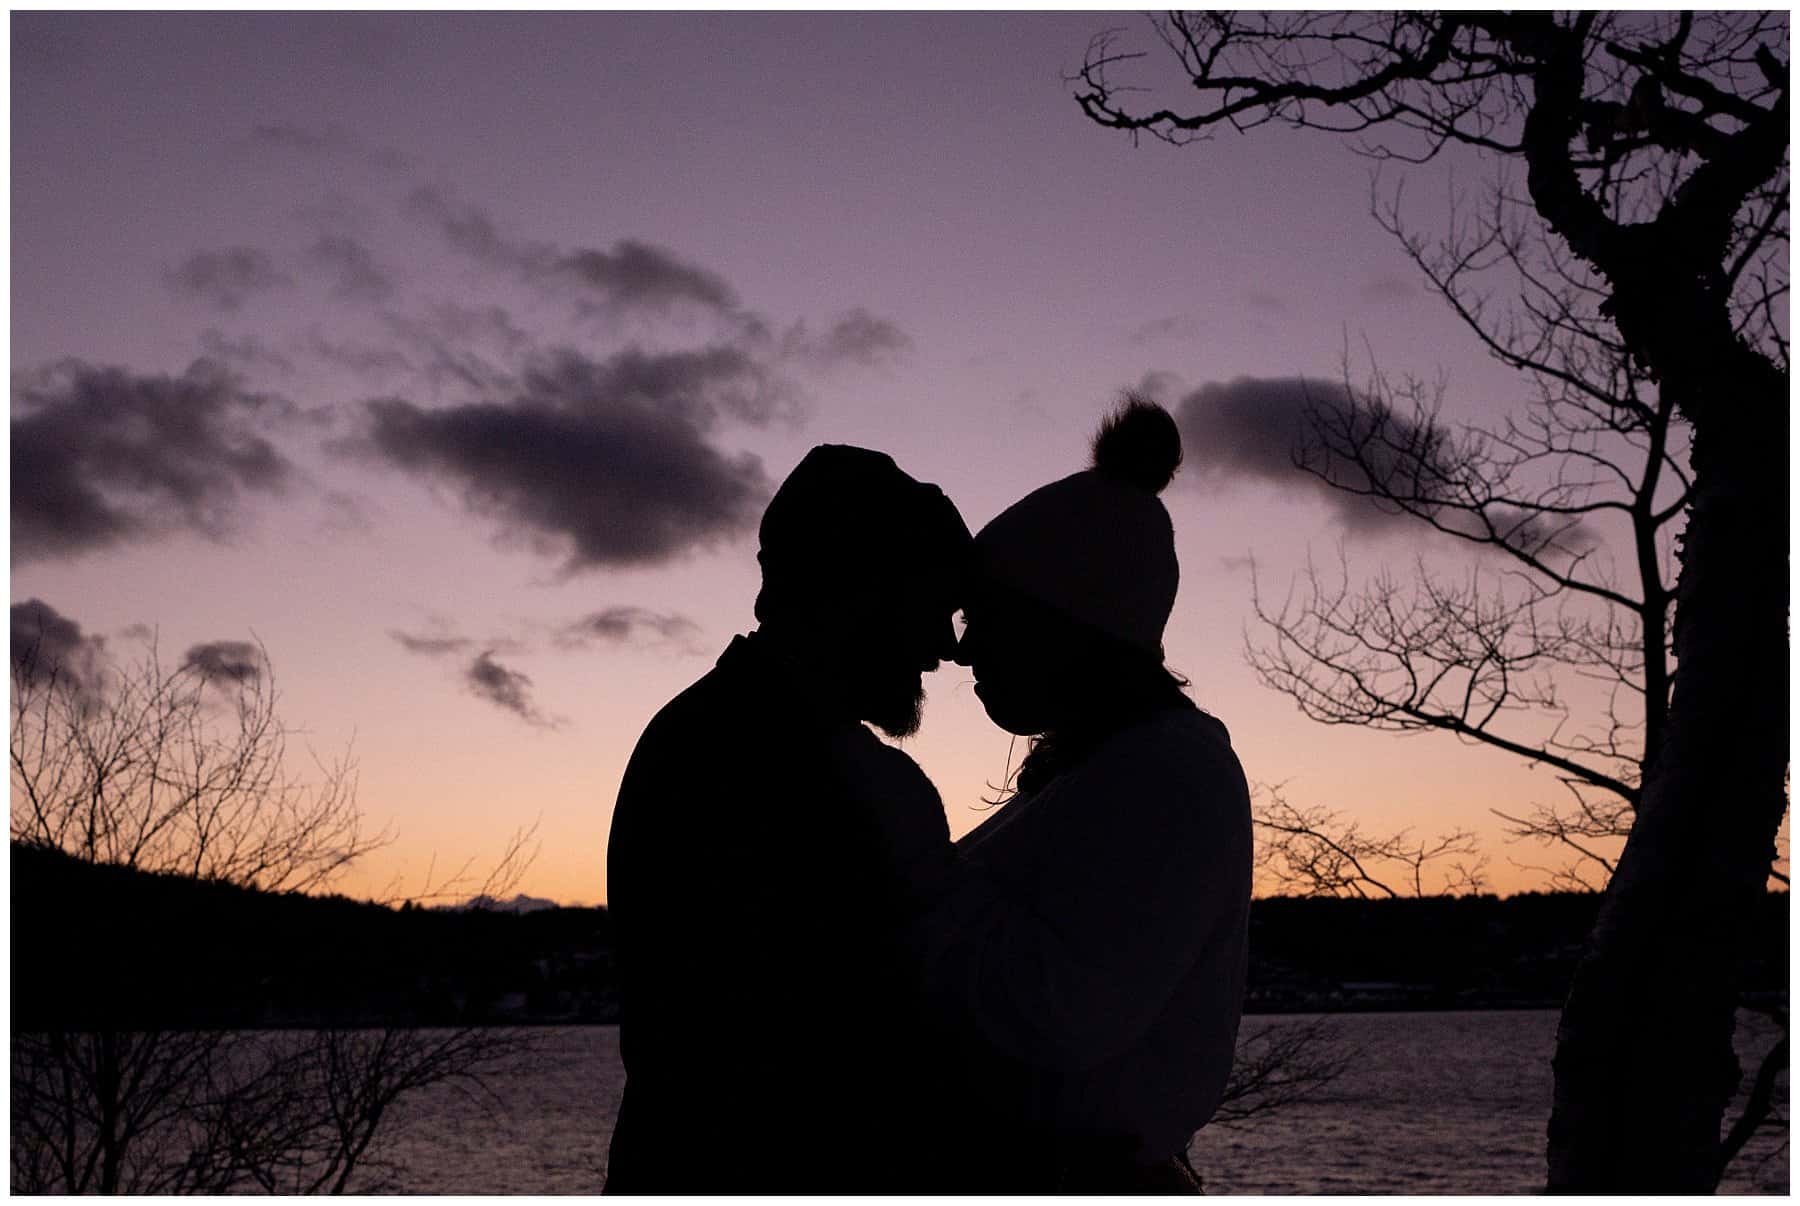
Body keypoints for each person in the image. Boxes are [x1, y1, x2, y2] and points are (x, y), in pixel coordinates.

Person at [869, 397, 1255, 1192]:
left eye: (988, 617)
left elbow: (1059, 1011)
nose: (963, 650)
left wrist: (902, 861)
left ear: (1072, 624)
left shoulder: (1170, 771)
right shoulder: (1109, 769)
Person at [602, 443, 973, 1193]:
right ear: (858, 591)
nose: (946, 648)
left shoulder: (727, 735)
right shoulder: (756, 765)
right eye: (932, 607)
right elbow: (816, 1067)